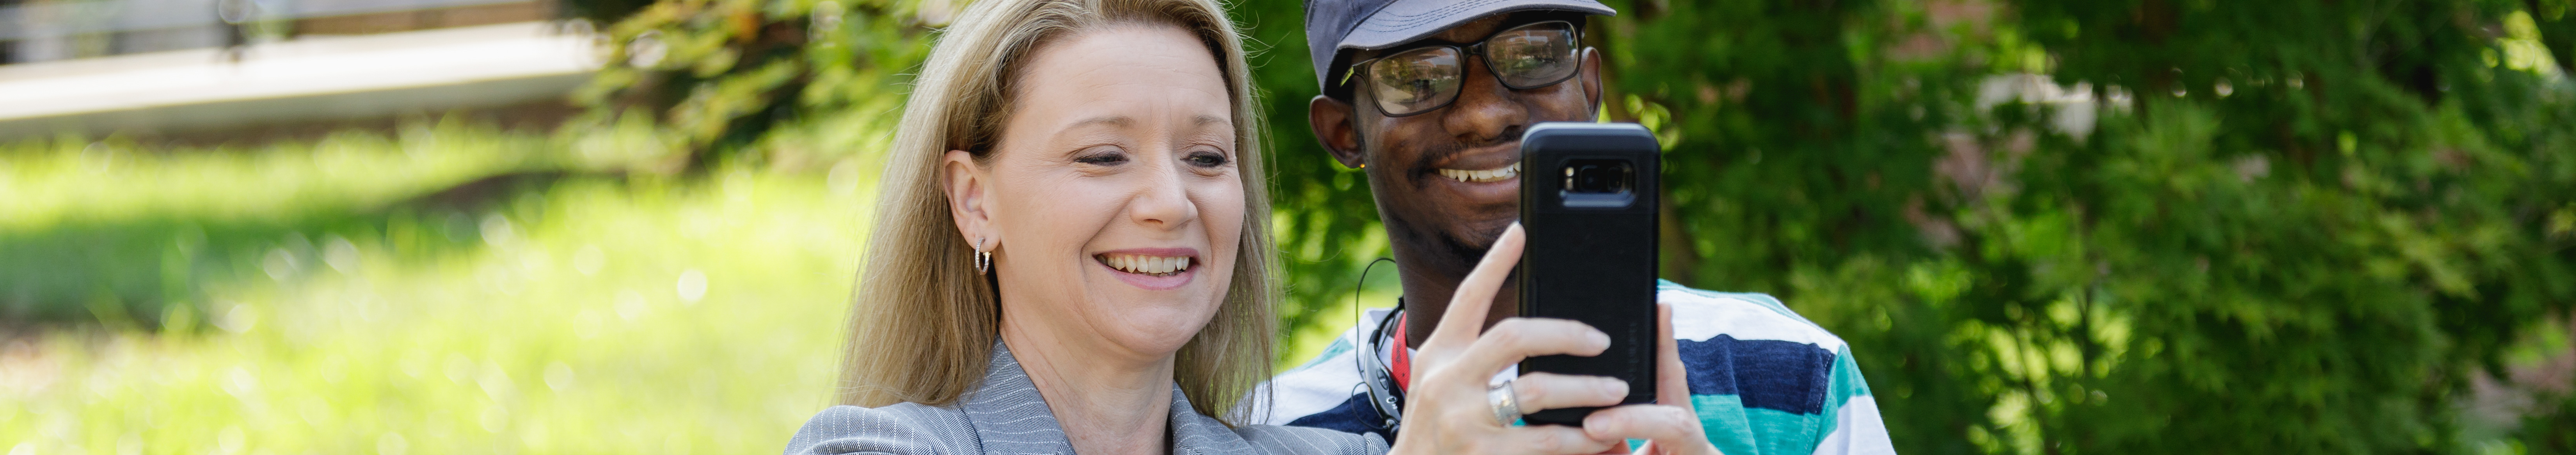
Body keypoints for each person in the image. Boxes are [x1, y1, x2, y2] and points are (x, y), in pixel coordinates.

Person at [783, 0, 1721, 453]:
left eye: (1205, 157)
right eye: (1103, 155)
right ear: (972, 196)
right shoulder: (876, 449)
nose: (1170, 202)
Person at [1254, 1, 1899, 454]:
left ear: (1588, 86)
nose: (1484, 114)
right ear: (1344, 133)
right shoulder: (1269, 433)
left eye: (1533, 53)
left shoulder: (1791, 371)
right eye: (1417, 77)